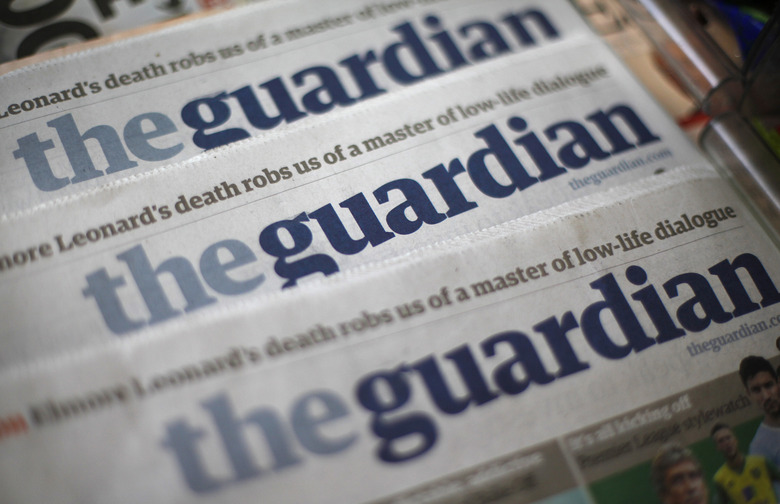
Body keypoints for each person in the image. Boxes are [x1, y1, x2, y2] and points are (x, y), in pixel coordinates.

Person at [710, 422, 780, 504]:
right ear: (717, 447)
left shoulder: (761, 462)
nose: (726, 443)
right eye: (721, 441)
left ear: (735, 440)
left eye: (728, 438)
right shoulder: (720, 479)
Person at [739, 356, 780, 467]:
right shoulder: (759, 447)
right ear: (749, 394)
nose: (766, 396)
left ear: (778, 382)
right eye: (756, 390)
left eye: (769, 385)